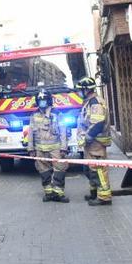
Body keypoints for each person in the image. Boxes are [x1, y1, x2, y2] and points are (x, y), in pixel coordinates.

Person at [28, 89, 70, 202]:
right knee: (43, 171)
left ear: (48, 101)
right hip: (40, 149)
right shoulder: (34, 115)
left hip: (55, 148)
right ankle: (49, 194)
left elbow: (63, 131)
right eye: (40, 100)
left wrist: (64, 148)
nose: (42, 103)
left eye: (44, 100)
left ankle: (59, 194)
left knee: (60, 169)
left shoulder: (57, 114)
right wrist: (31, 148)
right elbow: (30, 133)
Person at [76, 77, 113, 206]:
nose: (79, 93)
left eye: (80, 90)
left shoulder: (95, 103)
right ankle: (94, 192)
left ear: (87, 90)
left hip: (96, 143)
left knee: (98, 170)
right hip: (91, 144)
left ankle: (104, 197)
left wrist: (87, 137)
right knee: (90, 169)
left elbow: (98, 123)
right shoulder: (89, 102)